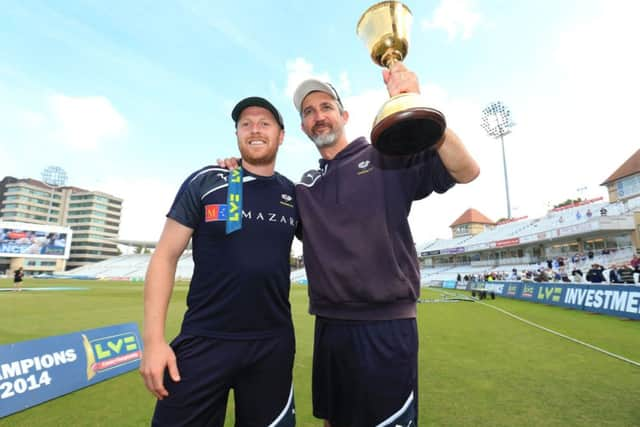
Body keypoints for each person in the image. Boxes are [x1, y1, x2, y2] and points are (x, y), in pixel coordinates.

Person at [292, 62, 480, 427]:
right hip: (329, 328)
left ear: (344, 115)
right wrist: (237, 175)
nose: (319, 117)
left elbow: (466, 170)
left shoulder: (383, 153)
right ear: (302, 127)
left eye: (326, 107)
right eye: (309, 112)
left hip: (385, 326)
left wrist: (417, 105)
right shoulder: (305, 186)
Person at [140, 97, 298, 427]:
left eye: (265, 123)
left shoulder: (293, 194)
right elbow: (165, 257)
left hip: (272, 344)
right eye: (246, 123)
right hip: (204, 340)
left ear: (281, 136)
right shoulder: (207, 181)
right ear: (237, 133)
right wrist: (154, 342)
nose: (255, 129)